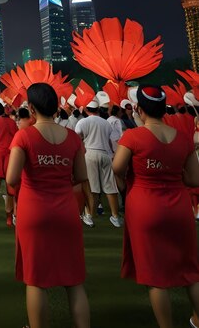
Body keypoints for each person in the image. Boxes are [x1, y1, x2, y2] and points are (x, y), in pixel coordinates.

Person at [112, 85, 199, 328]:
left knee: (155, 277)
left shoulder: (133, 137)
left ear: (139, 109)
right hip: (179, 207)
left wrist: (132, 179)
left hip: (144, 206)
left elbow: (118, 167)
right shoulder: (182, 139)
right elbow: (194, 179)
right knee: (190, 271)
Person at [6, 83, 90, 328]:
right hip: (66, 210)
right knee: (74, 280)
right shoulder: (72, 138)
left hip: (34, 211)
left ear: (31, 108)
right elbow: (81, 176)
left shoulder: (24, 136)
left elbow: (11, 179)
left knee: (36, 279)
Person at [75, 100, 122, 227]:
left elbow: (77, 138)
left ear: (86, 109)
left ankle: (89, 215)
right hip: (106, 154)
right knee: (110, 187)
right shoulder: (106, 123)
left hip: (90, 153)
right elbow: (111, 139)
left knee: (93, 188)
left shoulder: (83, 121)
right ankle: (115, 217)